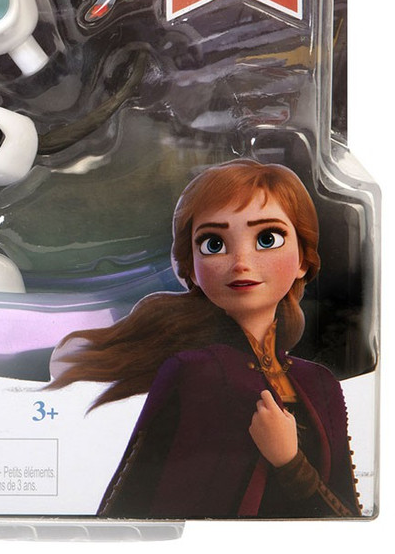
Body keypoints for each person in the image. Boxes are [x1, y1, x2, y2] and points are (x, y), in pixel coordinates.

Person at [50, 159, 359, 517]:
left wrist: (290, 463)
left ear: (303, 259)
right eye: (214, 244)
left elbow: (350, 518)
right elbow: (134, 498)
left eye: (267, 239)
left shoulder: (319, 383)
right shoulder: (194, 372)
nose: (241, 262)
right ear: (192, 270)